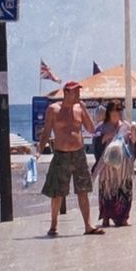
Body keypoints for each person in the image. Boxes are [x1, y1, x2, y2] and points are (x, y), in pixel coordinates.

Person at [38, 81, 101, 236]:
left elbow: (91, 129)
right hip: (61, 153)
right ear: (66, 92)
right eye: (75, 92)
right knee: (57, 192)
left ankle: (88, 225)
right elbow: (46, 132)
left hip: (78, 153)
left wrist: (84, 110)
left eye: (79, 92)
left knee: (83, 190)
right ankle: (53, 225)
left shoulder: (80, 108)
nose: (78, 95)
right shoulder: (54, 109)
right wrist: (39, 151)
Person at [92, 100, 135, 227]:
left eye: (119, 110)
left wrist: (134, 134)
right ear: (109, 112)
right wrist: (107, 136)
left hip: (123, 165)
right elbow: (96, 144)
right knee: (107, 189)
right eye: (114, 110)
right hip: (106, 165)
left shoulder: (126, 126)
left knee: (124, 189)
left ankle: (123, 218)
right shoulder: (101, 127)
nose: (117, 113)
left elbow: (133, 143)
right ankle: (106, 217)